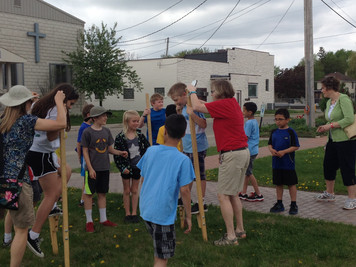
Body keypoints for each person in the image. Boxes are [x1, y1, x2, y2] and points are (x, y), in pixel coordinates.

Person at [0, 85, 66, 267]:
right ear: (25, 104)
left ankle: (5, 238)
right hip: (18, 183)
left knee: (10, 218)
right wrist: (59, 102)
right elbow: (60, 124)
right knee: (21, 231)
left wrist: (30, 99)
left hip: (2, 180)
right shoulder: (27, 121)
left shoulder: (3, 120)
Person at [187, 80, 250, 246]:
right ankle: (239, 229)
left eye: (213, 91)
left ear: (221, 92)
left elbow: (199, 107)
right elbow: (205, 104)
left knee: (223, 196)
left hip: (233, 154)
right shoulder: (230, 103)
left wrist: (192, 91)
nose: (211, 94)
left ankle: (230, 236)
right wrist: (192, 100)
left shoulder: (225, 104)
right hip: (240, 152)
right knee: (233, 194)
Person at [26, 83, 79, 257]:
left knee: (66, 170)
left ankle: (53, 205)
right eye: (70, 104)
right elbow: (51, 134)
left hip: (44, 153)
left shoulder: (41, 104)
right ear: (64, 100)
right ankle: (33, 234)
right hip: (41, 154)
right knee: (50, 193)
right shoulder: (56, 109)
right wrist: (61, 112)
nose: (70, 107)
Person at [137, 114, 195, 267]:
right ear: (183, 134)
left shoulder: (150, 151)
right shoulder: (183, 160)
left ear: (164, 132)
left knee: (159, 251)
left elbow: (143, 178)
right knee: (162, 257)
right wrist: (189, 216)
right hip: (162, 214)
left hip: (146, 208)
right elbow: (185, 191)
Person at [81, 106, 128, 232]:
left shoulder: (106, 131)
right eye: (103, 116)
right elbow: (84, 151)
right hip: (91, 169)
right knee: (89, 194)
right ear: (95, 118)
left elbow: (109, 149)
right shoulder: (87, 132)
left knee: (102, 193)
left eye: (106, 115)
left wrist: (120, 152)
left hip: (104, 168)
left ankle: (103, 219)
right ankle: (89, 221)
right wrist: (90, 169)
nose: (106, 118)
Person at [168, 82, 209, 214]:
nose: (176, 102)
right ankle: (185, 197)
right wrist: (180, 111)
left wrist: (192, 114)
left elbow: (203, 124)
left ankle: (201, 201)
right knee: (188, 174)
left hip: (198, 146)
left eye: (176, 99)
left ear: (184, 94)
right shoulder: (183, 107)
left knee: (199, 174)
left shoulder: (194, 106)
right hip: (187, 146)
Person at [316, 76, 356, 209]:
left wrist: (331, 126)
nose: (321, 91)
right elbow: (330, 119)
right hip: (332, 140)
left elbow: (349, 119)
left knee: (347, 168)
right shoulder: (329, 102)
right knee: (328, 166)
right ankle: (330, 193)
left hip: (346, 141)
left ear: (329, 88)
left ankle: (352, 199)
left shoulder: (343, 99)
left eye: (322, 88)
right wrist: (325, 126)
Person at [114, 110, 150, 223]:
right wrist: (122, 168)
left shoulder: (140, 135)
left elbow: (147, 149)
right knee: (127, 190)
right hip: (126, 168)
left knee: (134, 190)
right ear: (127, 122)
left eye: (137, 121)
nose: (136, 123)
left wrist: (144, 163)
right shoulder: (120, 137)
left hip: (137, 167)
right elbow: (117, 155)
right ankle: (127, 213)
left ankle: (134, 213)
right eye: (134, 121)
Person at [268, 108, 300, 215]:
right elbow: (270, 144)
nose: (278, 122)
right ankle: (279, 203)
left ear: (287, 120)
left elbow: (295, 146)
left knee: (291, 184)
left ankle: (294, 204)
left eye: (280, 119)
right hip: (276, 163)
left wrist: (284, 152)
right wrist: (272, 150)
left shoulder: (291, 132)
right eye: (276, 119)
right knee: (278, 184)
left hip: (288, 163)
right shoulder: (274, 132)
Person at [239, 102, 264, 202]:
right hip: (253, 150)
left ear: (250, 112)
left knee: (249, 172)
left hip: (249, 150)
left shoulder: (249, 123)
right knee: (246, 172)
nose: (243, 112)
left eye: (244, 110)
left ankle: (258, 194)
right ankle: (243, 193)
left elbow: (245, 137)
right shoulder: (253, 121)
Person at [76, 104, 94, 206]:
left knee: (90, 178)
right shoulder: (84, 127)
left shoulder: (91, 126)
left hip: (92, 156)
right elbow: (79, 143)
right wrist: (79, 157)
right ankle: (83, 200)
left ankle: (89, 197)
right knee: (86, 178)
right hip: (85, 156)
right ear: (89, 114)